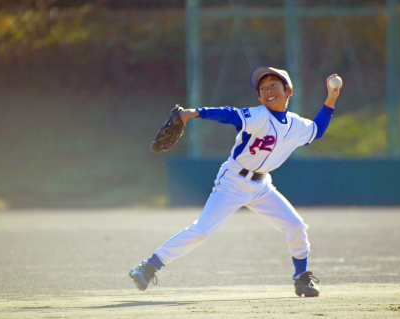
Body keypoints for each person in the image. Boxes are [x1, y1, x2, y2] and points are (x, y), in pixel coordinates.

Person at [129, 67, 341, 297]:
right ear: (259, 98)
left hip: (262, 187)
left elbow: (318, 130)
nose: (268, 90)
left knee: (296, 226)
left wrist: (331, 98)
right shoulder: (259, 114)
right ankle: (147, 267)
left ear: (288, 90)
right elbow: (229, 114)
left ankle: (302, 279)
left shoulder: (296, 124)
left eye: (274, 85)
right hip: (232, 181)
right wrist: (192, 113)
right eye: (263, 88)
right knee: (201, 231)